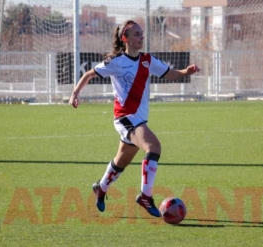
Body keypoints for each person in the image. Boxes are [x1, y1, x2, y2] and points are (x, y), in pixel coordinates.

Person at [68, 20, 200, 217]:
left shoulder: (147, 60)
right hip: (125, 118)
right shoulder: (115, 61)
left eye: (141, 33)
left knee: (121, 162)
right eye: (136, 34)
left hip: (139, 119)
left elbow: (167, 74)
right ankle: (145, 197)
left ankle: (101, 188)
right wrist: (75, 93)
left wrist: (185, 72)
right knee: (153, 146)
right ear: (125, 38)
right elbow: (89, 74)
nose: (141, 37)